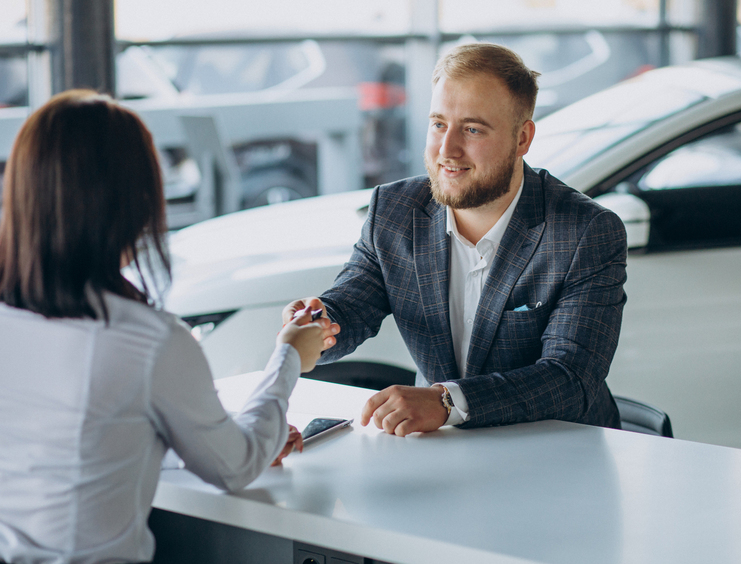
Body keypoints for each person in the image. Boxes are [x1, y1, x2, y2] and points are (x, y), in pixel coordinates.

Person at [0, 90, 324, 564]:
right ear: (131, 202)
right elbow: (234, 466)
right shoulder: (146, 341)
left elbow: (79, 445)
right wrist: (289, 356)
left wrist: (190, 442)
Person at [285, 43, 627, 436]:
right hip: (445, 451)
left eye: (472, 129)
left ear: (522, 139)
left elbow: (570, 379)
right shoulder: (395, 211)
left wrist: (446, 402)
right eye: (438, 124)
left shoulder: (586, 232)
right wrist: (319, 324)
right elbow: (351, 305)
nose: (447, 150)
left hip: (559, 455)